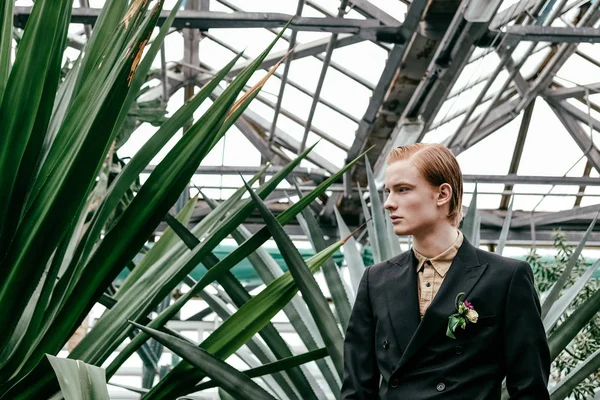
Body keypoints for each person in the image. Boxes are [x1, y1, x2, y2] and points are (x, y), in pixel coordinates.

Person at [341, 143, 550, 399]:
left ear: (442, 195)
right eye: (388, 192)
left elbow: (529, 389)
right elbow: (356, 389)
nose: (388, 203)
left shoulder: (505, 277)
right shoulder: (376, 280)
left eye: (403, 190)